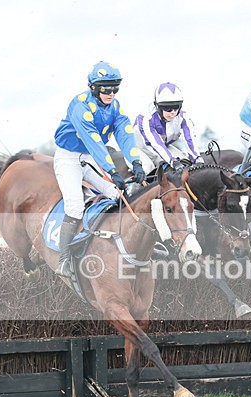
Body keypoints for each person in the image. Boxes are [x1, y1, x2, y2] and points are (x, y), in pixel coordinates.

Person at [52, 60, 147, 278]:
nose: (111, 93)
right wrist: (112, 171)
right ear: (94, 87)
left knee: (121, 194)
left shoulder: (115, 107)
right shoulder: (80, 106)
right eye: (106, 88)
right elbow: (94, 141)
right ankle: (64, 259)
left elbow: (125, 135)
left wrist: (137, 163)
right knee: (75, 206)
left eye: (115, 88)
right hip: (69, 158)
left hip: (91, 157)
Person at [134, 82, 202, 175]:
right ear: (157, 106)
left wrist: (197, 159)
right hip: (139, 150)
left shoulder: (183, 116)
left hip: (164, 146)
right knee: (147, 168)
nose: (173, 112)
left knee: (185, 162)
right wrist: (172, 161)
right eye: (167, 108)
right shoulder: (145, 118)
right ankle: (132, 189)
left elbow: (189, 138)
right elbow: (155, 143)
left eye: (176, 107)